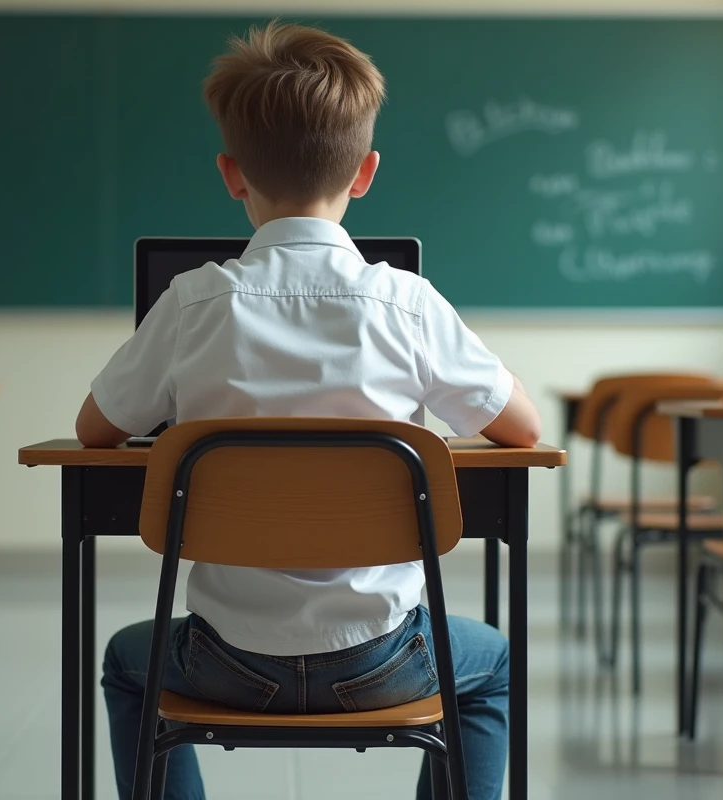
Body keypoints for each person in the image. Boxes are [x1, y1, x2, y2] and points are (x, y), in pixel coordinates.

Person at [76, 20, 542, 800]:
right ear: (365, 173)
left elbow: (94, 430)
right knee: (491, 661)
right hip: (384, 661)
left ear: (231, 174)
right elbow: (523, 429)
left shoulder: (192, 303)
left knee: (130, 659)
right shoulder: (407, 304)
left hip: (224, 662)